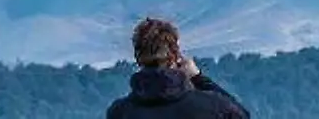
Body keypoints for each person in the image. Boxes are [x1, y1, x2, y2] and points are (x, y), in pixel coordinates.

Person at [106, 17, 250, 119]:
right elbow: (242, 115)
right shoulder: (213, 107)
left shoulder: (119, 112)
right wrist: (198, 78)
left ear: (138, 58)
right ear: (175, 56)